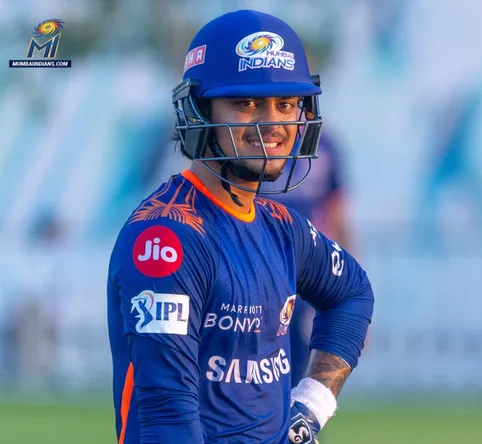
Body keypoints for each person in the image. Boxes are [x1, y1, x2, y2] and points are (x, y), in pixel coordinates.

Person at [107, 9, 374, 444]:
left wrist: (311, 407)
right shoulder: (166, 237)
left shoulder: (282, 227)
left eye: (286, 104)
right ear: (199, 109)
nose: (271, 123)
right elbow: (168, 414)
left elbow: (353, 293)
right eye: (246, 103)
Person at [262, 129, 353, 388]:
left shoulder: (324, 144)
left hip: (305, 274)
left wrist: (346, 282)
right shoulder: (255, 138)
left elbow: (337, 213)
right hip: (257, 267)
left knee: (301, 368)